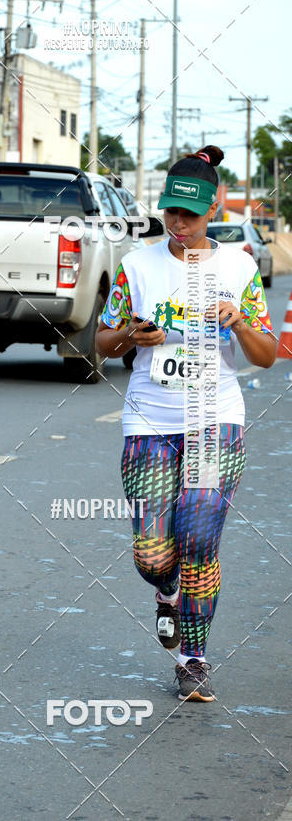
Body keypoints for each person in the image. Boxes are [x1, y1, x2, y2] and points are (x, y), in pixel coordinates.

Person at [96, 146, 276, 702]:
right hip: (149, 418)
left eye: (190, 215)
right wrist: (133, 336)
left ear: (213, 208)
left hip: (213, 419)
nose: (178, 224)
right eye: (171, 212)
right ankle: (166, 592)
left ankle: (193, 658)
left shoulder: (239, 268)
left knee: (199, 539)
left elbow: (267, 354)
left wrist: (241, 322)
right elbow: (100, 345)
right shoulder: (137, 265)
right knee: (153, 558)